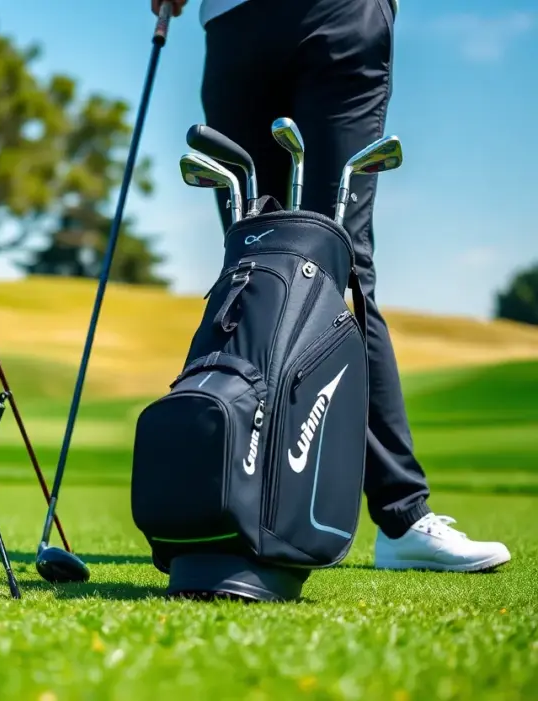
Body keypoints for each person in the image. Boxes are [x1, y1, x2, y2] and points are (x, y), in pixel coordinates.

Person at [155, 0, 511, 571]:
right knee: (254, 259)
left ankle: (401, 517)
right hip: (232, 19)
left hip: (340, 14)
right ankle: (241, 506)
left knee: (338, 266)